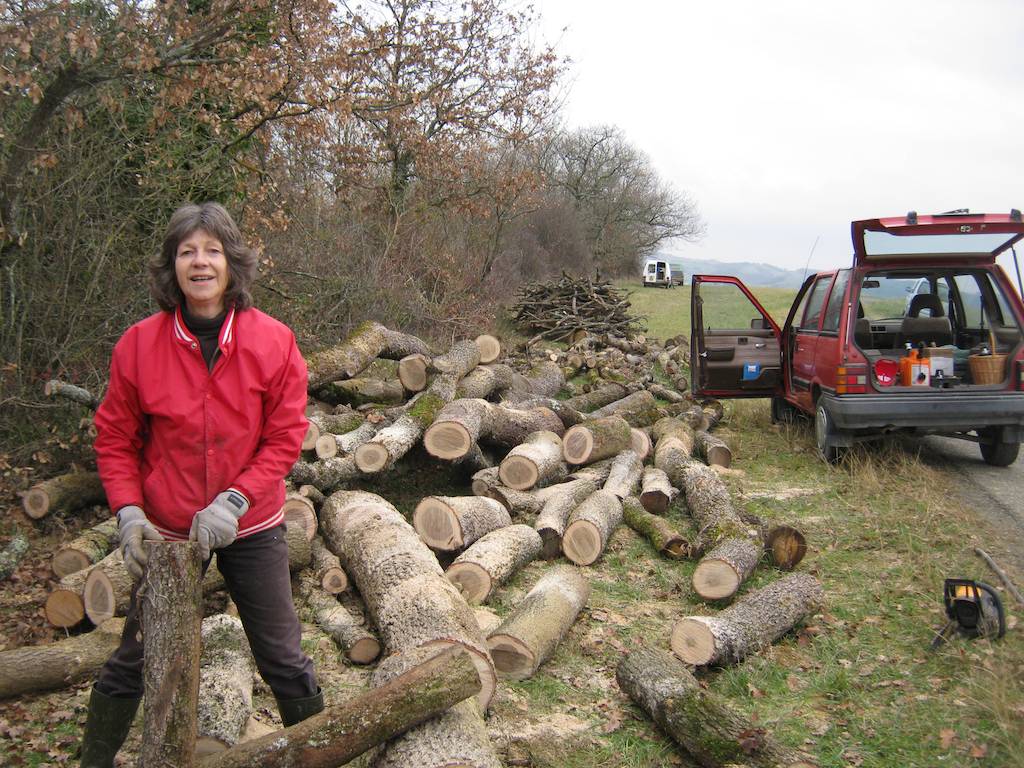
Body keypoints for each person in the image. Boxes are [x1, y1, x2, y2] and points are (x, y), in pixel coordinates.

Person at [80, 202, 321, 767]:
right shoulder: (138, 345)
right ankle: (92, 760)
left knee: (283, 658)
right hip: (167, 530)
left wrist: (234, 499)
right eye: (187, 252)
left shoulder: (274, 341)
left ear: (231, 262)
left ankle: (320, 754)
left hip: (251, 523)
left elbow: (285, 435)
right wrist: (129, 512)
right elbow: (115, 439)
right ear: (173, 266)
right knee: (135, 657)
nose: (201, 262)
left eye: (212, 250)